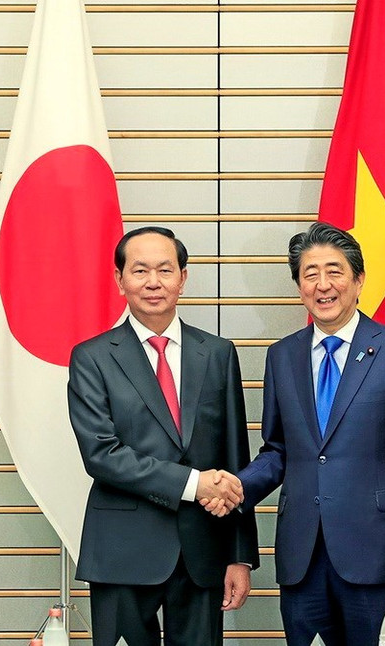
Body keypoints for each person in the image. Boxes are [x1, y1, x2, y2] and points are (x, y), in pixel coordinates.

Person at [203, 222, 385, 646]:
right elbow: (279, 449)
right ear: (299, 286)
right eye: (309, 273)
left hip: (376, 548)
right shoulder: (282, 355)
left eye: (334, 271)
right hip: (303, 552)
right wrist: (237, 486)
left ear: (358, 280)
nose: (323, 285)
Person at [68, 226, 259, 646]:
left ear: (183, 277)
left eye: (165, 270)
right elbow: (101, 454)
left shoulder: (218, 353)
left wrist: (240, 556)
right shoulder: (92, 357)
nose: (153, 282)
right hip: (122, 552)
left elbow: (235, 458)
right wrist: (194, 483)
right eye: (139, 271)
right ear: (120, 280)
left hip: (203, 553)